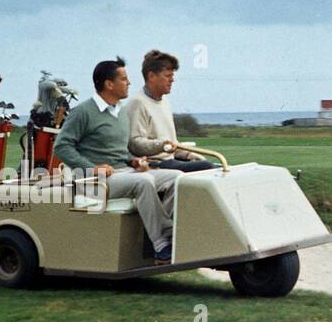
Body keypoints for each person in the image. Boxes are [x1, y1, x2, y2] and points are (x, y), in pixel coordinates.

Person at [53, 57, 183, 263]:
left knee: (177, 178)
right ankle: (161, 245)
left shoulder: (121, 112)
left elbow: (119, 152)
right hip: (93, 182)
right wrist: (92, 168)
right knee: (144, 182)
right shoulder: (83, 112)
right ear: (109, 84)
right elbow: (61, 147)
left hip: (122, 173)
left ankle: (161, 235)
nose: (129, 83)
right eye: (124, 79)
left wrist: (133, 161)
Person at [126, 49, 216, 172]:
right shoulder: (138, 103)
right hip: (155, 164)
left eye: (172, 75)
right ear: (151, 76)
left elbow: (172, 144)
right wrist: (162, 145)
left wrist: (190, 155)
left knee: (217, 167)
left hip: (170, 161)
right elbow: (135, 143)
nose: (172, 80)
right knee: (207, 167)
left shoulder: (164, 103)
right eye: (168, 76)